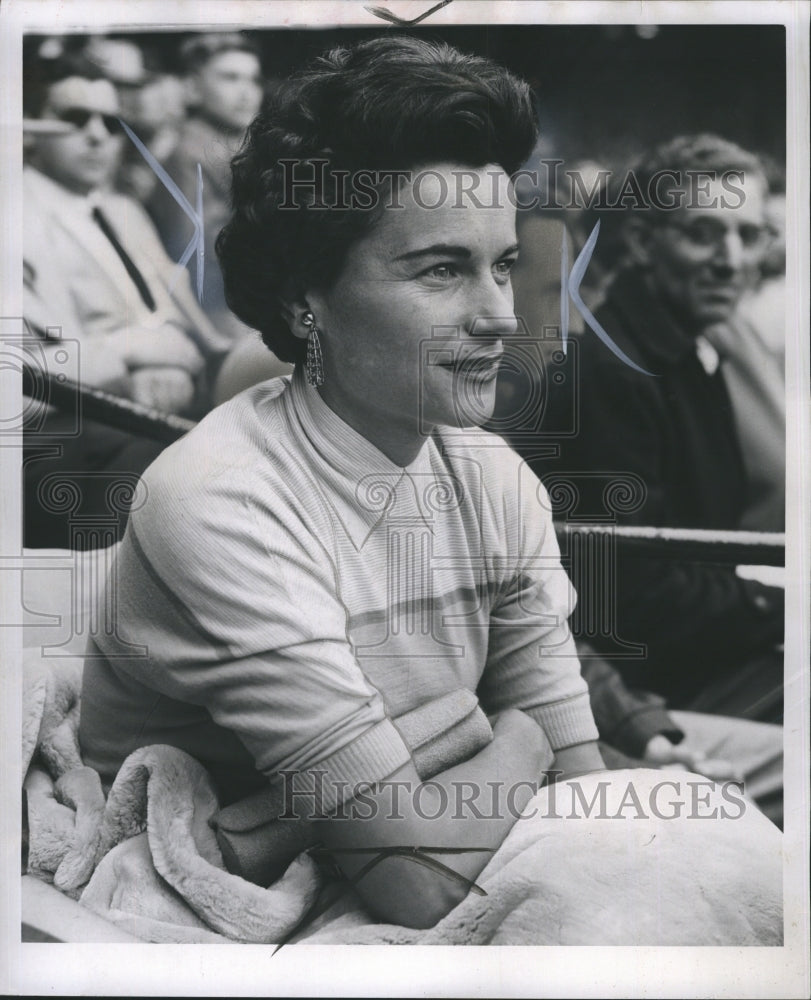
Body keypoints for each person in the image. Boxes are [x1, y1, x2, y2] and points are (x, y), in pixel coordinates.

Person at [79, 36, 606, 930]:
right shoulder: (221, 498)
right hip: (194, 926)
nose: (499, 316)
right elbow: (415, 876)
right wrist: (518, 734)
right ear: (301, 299)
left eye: (503, 263)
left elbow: (584, 794)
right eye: (441, 269)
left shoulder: (496, 478)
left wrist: (483, 766)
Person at [511, 135, 784, 722]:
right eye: (703, 232)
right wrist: (776, 599)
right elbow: (632, 601)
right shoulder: (613, 373)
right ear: (640, 241)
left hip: (690, 667)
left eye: (749, 234)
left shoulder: (685, 353)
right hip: (633, 700)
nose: (731, 260)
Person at [23, 54, 230, 548]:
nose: (98, 136)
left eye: (112, 123)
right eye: (74, 119)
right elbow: (21, 381)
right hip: (70, 439)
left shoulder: (122, 209)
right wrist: (132, 353)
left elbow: (185, 319)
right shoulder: (15, 220)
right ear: (29, 128)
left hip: (167, 409)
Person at [146, 33, 266, 346]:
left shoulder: (243, 145)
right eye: (230, 78)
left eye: (253, 79)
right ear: (194, 88)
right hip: (220, 313)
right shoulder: (187, 155)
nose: (246, 92)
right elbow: (193, 258)